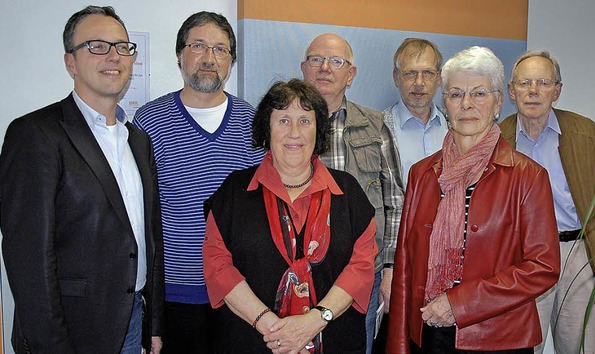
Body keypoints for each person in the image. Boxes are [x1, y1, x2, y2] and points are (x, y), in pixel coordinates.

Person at [0, 6, 163, 354]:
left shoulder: (137, 139)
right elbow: (28, 259)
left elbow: (150, 237)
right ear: (70, 62)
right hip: (69, 332)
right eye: (97, 46)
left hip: (132, 320)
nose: (114, 56)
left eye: (122, 47)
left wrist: (154, 324)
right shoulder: (35, 134)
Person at [387, 46, 561, 354]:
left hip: (498, 337)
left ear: (498, 103)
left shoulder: (528, 176)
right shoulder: (422, 173)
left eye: (479, 94)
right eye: (455, 94)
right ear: (446, 104)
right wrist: (399, 343)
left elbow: (542, 266)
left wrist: (459, 304)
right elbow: (405, 265)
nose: (466, 104)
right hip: (429, 332)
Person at [202, 78, 378, 353]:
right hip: (253, 341)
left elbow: (361, 267)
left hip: (333, 340)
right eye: (283, 120)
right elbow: (217, 267)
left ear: (318, 130)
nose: (294, 132)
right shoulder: (234, 192)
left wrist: (313, 322)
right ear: (266, 129)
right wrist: (270, 326)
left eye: (305, 121)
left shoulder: (348, 192)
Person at [133, 11, 265, 353]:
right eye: (198, 46)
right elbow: (141, 210)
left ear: (231, 61)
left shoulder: (252, 120)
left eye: (220, 50)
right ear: (180, 54)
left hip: (240, 291)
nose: (209, 58)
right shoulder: (149, 120)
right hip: (175, 292)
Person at [499, 50, 595, 354]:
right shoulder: (497, 138)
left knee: (580, 347)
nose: (533, 91)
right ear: (511, 91)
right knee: (523, 346)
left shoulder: (586, 134)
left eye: (543, 82)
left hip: (577, 253)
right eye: (524, 83)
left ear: (557, 91)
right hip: (522, 257)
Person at [301, 33, 404, 353]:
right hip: (299, 275)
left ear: (351, 74)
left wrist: (389, 270)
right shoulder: (286, 124)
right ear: (304, 68)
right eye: (316, 60)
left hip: (362, 276)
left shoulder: (375, 126)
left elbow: (395, 203)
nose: (325, 68)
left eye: (336, 61)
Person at [382, 38, 448, 188]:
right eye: (410, 73)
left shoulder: (455, 127)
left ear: (439, 78)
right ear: (396, 77)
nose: (419, 82)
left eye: (427, 73)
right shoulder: (379, 130)